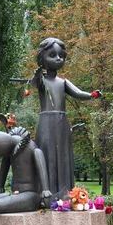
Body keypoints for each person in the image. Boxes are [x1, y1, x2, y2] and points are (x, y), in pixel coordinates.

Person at [31, 37, 101, 199]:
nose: (58, 59)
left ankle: (65, 192)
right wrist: (36, 75)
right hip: (46, 123)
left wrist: (92, 95)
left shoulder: (63, 82)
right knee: (46, 152)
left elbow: (78, 93)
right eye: (53, 55)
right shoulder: (42, 80)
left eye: (61, 56)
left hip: (62, 123)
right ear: (42, 58)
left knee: (63, 155)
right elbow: (35, 85)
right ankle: (46, 192)